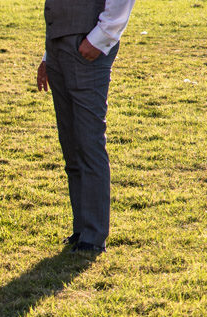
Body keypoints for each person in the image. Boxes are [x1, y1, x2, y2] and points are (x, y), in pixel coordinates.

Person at [36, 0, 135, 254]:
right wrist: (49, 55)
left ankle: (93, 235)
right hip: (58, 44)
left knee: (88, 141)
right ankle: (82, 227)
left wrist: (103, 36)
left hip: (87, 41)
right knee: (71, 143)